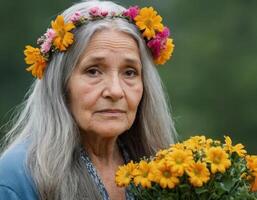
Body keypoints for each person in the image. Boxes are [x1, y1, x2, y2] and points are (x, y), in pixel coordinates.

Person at [0, 0, 177, 199]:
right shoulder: (17, 179)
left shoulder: (163, 170)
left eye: (129, 72)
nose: (115, 91)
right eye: (93, 71)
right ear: (61, 84)